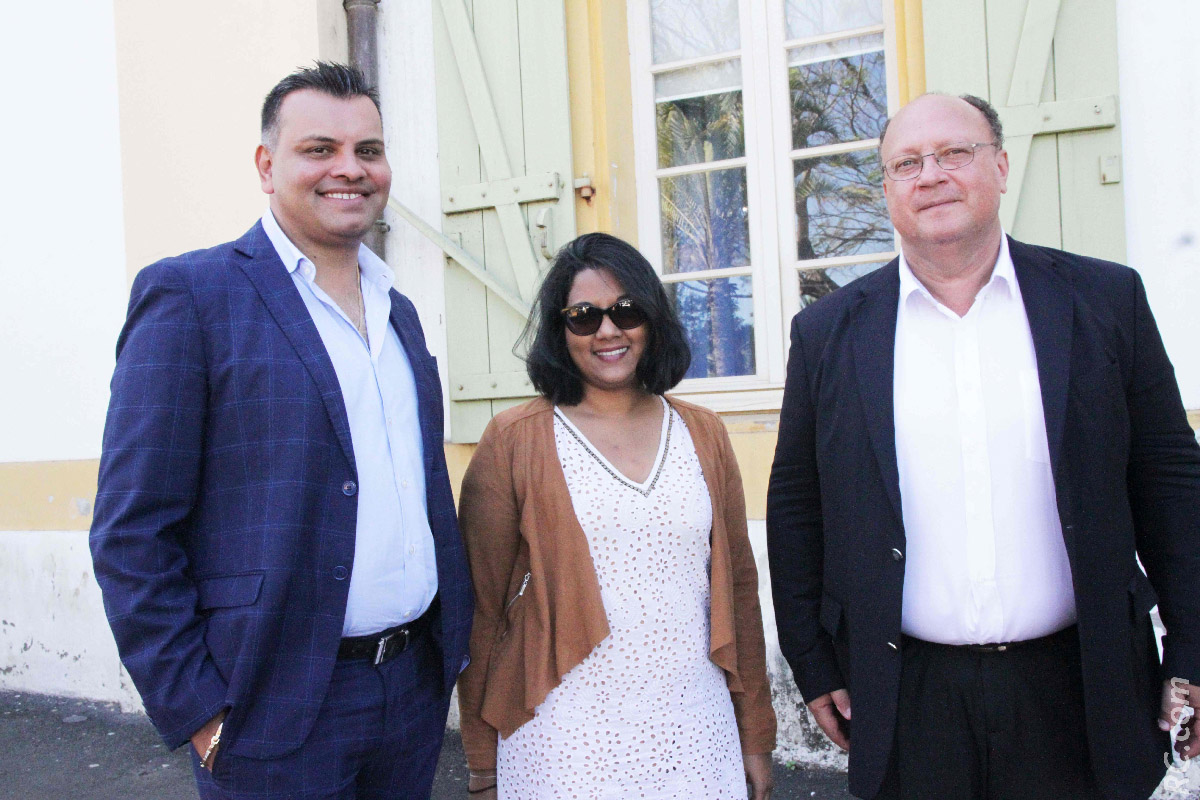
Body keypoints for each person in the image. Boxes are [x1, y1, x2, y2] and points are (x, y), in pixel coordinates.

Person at [766, 92, 1199, 800]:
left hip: (1080, 687)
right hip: (909, 698)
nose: (930, 175)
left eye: (954, 153)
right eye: (907, 163)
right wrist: (813, 663)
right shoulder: (828, 333)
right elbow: (795, 505)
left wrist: (1191, 649)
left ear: (999, 166)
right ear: (887, 190)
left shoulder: (1104, 300)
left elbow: (1170, 481)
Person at [89, 62, 472, 799]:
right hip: (272, 709)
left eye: (368, 151)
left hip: (412, 693)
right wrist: (199, 710)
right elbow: (132, 532)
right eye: (319, 148)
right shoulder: (192, 296)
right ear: (267, 166)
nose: (348, 170)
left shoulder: (401, 312)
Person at [455, 233, 777, 799]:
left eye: (626, 311)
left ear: (652, 321)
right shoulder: (515, 440)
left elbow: (740, 593)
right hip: (563, 743)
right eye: (584, 317)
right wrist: (483, 760)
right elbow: (482, 610)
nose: (608, 331)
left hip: (695, 734)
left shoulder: (703, 433)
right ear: (560, 330)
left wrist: (755, 735)